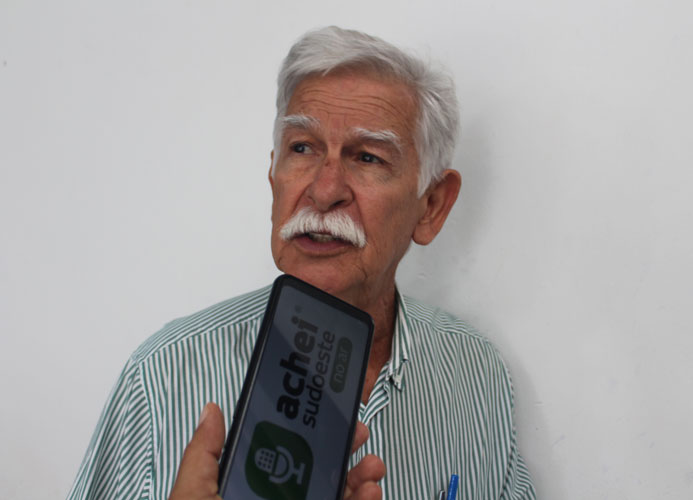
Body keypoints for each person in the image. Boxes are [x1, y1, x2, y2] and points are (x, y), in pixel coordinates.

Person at [67, 26, 536, 500]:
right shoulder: (161, 378)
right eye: (302, 148)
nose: (324, 190)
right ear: (273, 174)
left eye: (368, 157)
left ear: (432, 205)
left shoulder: (477, 374)